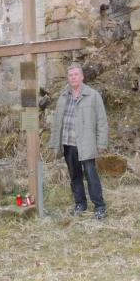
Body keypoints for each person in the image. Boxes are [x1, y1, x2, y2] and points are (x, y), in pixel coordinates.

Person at [48, 63, 109, 220]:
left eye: (76, 74)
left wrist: (102, 143)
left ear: (82, 76)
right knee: (74, 176)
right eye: (70, 75)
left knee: (91, 175)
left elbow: (101, 121)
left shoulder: (93, 95)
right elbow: (57, 122)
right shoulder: (63, 96)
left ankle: (99, 206)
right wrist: (55, 143)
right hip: (68, 143)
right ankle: (80, 204)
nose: (73, 77)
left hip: (86, 143)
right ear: (68, 78)